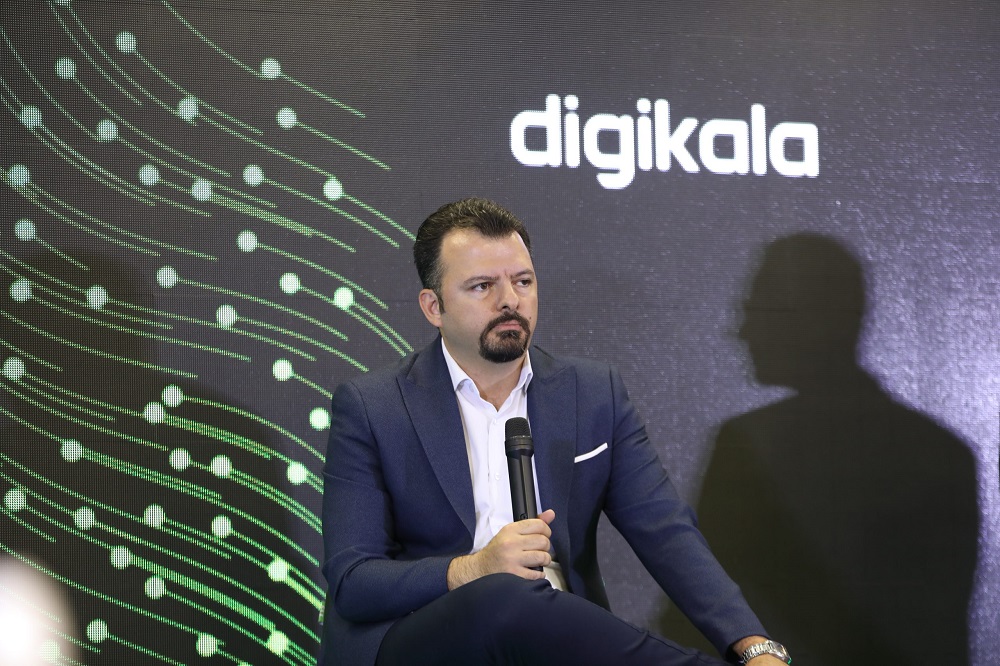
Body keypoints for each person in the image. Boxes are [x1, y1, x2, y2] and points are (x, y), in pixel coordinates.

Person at [320, 198, 791, 665]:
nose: (510, 300)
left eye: (522, 281)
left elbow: (666, 533)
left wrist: (754, 647)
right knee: (504, 595)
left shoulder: (593, 393)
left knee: (530, 602)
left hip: (554, 642)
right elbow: (353, 581)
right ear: (433, 307)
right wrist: (475, 568)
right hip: (423, 640)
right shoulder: (373, 407)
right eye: (482, 286)